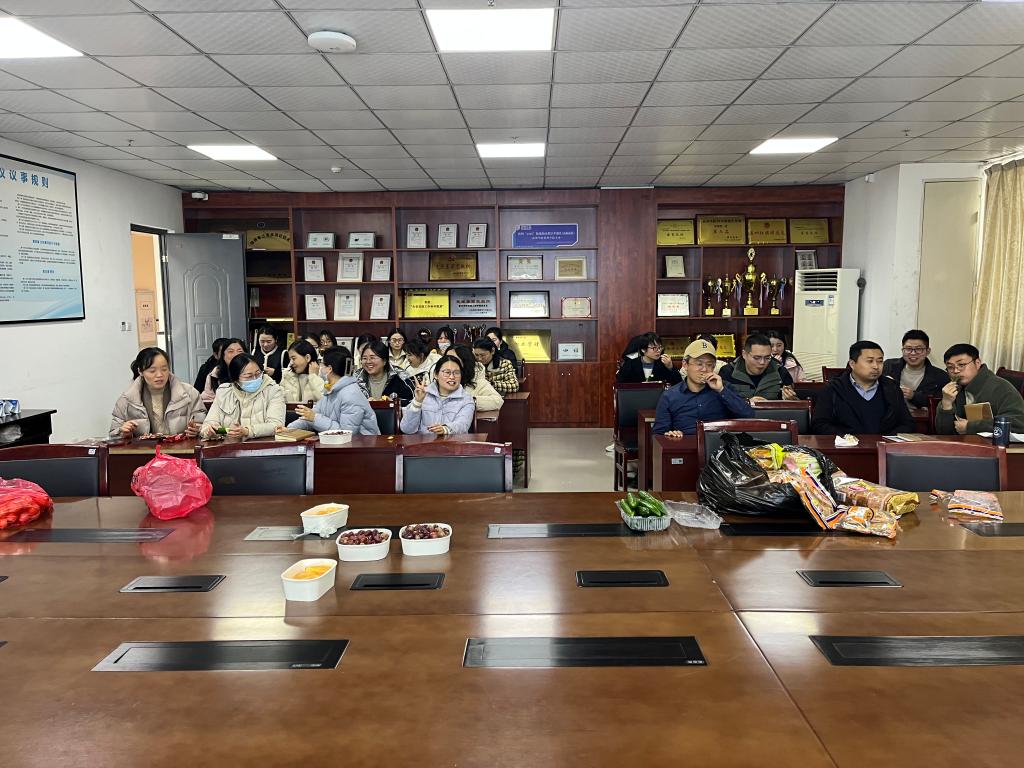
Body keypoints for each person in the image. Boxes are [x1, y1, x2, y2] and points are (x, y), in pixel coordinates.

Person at [811, 340, 916, 435]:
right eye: (870, 361)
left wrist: (886, 439)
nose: (876, 366)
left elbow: (907, 423)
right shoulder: (833, 389)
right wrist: (848, 439)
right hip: (845, 447)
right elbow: (819, 424)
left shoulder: (892, 388)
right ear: (852, 364)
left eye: (880, 361)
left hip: (883, 446)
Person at [653, 339, 754, 436]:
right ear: (685, 364)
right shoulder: (670, 396)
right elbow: (659, 433)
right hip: (685, 444)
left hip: (718, 444)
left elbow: (748, 416)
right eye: (699, 364)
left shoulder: (724, 388)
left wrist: (721, 390)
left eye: (709, 365)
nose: (704, 369)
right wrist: (670, 435)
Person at [110, 347, 206, 438]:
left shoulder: (189, 393)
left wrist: (198, 430)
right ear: (140, 371)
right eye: (152, 371)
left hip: (181, 448)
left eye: (164, 369)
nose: (160, 375)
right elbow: (114, 433)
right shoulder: (127, 398)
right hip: (145, 449)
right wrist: (123, 432)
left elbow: (204, 426)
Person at [287, 346, 379, 436]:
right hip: (336, 442)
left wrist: (315, 418)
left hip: (362, 443)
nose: (320, 368)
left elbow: (346, 433)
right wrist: (289, 429)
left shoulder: (351, 394)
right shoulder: (330, 390)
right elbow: (311, 417)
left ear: (329, 369)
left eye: (322, 365)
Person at [935, 343, 1024, 435]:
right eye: (950, 367)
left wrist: (970, 427)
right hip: (960, 443)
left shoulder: (1001, 387)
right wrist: (946, 403)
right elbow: (943, 433)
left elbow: (1019, 423)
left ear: (977, 363)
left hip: (993, 443)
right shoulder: (953, 389)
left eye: (961, 365)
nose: (956, 371)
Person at [201, 352, 286, 439]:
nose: (255, 379)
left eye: (258, 374)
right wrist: (214, 431)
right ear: (235, 379)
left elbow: (276, 425)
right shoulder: (224, 392)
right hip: (229, 445)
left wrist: (248, 431)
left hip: (262, 444)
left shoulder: (273, 390)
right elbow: (209, 424)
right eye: (248, 376)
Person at [400, 355, 475, 436]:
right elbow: (406, 429)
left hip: (452, 443)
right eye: (447, 372)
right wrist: (417, 403)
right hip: (423, 442)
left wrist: (446, 429)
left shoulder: (466, 399)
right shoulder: (423, 394)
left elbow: (463, 425)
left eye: (456, 373)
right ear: (436, 374)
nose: (452, 377)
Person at [720, 333, 798, 402]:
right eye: (757, 358)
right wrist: (746, 402)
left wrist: (791, 399)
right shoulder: (728, 372)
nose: (762, 362)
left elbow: (796, 405)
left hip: (771, 414)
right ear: (744, 354)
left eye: (767, 358)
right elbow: (720, 403)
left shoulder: (780, 371)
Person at [882, 329, 949, 408]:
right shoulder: (888, 366)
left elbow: (939, 405)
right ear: (902, 350)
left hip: (921, 416)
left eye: (918, 349)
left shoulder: (940, 376)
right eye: (908, 349)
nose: (913, 353)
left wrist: (914, 396)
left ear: (928, 351)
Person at [444, 345, 504, 411]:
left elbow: (497, 401)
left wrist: (469, 401)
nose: (448, 362)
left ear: (465, 362)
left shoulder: (477, 382)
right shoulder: (439, 379)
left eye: (454, 360)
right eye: (446, 358)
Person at [615, 332, 682, 385]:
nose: (658, 350)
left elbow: (678, 384)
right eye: (654, 348)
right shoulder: (630, 365)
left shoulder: (664, 364)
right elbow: (620, 386)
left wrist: (671, 367)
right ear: (643, 350)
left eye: (660, 347)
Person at [279, 339, 325, 404]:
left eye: (294, 358)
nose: (291, 363)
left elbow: (325, 401)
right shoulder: (287, 376)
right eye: (290, 359)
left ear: (307, 358)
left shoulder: (322, 375)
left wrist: (313, 377)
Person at [201, 337, 245, 403]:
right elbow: (208, 399)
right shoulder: (214, 375)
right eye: (231, 351)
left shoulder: (254, 371)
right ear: (223, 356)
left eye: (240, 351)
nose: (235, 354)